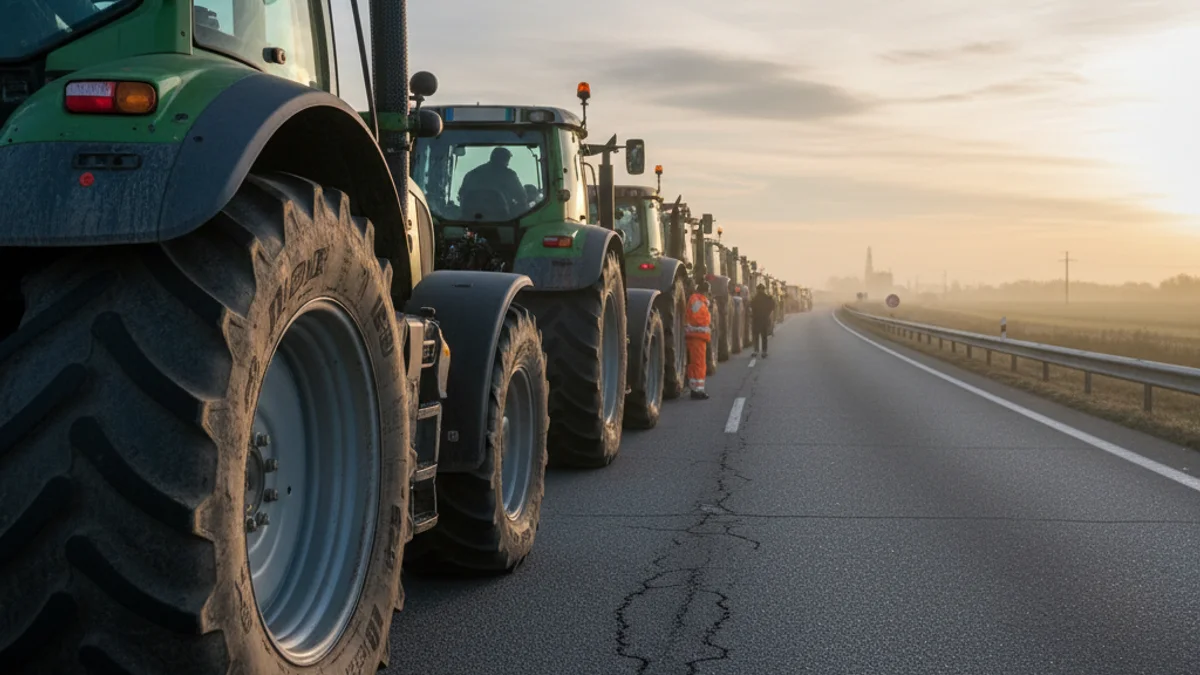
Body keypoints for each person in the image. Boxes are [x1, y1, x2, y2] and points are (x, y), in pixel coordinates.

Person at [458, 147, 527, 215]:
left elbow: (461, 195)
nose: (508, 163)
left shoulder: (472, 174)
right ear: (505, 159)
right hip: (503, 219)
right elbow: (522, 196)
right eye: (507, 160)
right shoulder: (508, 175)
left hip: (470, 218)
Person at [685, 280, 712, 400]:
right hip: (698, 337)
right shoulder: (699, 301)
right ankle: (698, 391)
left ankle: (694, 388)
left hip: (696, 336)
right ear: (705, 291)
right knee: (699, 364)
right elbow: (699, 320)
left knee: (694, 364)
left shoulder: (696, 300)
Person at [751, 283, 776, 357]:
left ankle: (757, 351)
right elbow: (773, 306)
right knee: (763, 336)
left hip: (757, 319)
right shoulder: (767, 298)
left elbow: (751, 307)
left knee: (757, 336)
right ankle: (763, 351)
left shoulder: (755, 298)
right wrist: (768, 314)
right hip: (763, 319)